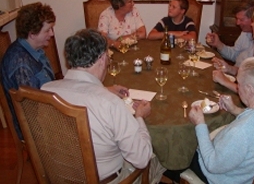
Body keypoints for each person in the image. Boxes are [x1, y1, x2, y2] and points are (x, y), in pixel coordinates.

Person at [41, 29, 165, 184]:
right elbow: (141, 160)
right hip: (109, 180)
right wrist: (140, 117)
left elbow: (78, 91)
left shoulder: (46, 91)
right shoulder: (110, 104)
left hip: (59, 175)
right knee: (158, 154)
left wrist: (106, 89)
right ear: (102, 59)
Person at [165, 56, 254, 183]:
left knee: (172, 151)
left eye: (239, 84)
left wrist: (200, 124)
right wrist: (235, 109)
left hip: (224, 177)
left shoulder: (241, 131)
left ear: (249, 89)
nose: (237, 88)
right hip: (251, 166)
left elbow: (212, 165)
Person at [1, 2, 56, 140]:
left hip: (46, 111)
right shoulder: (21, 65)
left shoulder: (34, 50)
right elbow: (31, 112)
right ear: (32, 34)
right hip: (34, 128)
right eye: (48, 30)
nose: (52, 34)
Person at [206, 1, 254, 67]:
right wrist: (218, 44)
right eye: (237, 19)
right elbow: (234, 55)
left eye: (241, 20)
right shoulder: (244, 33)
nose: (237, 23)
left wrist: (230, 69)